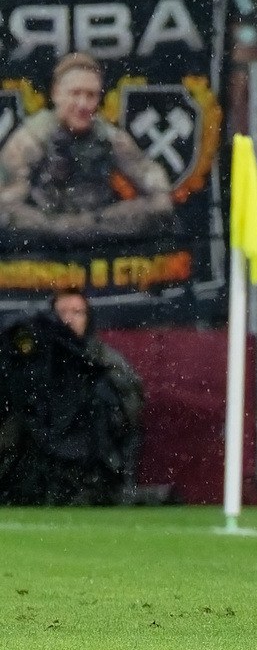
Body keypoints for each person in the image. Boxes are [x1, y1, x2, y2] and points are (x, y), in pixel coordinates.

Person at [0, 52, 173, 245]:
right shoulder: (31, 138)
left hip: (97, 225)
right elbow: (7, 202)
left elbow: (152, 180)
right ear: (56, 94)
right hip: (47, 228)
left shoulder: (110, 137)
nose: (83, 104)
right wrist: (49, 225)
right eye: (75, 94)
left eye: (91, 95)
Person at [0, 287, 144, 505]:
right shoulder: (34, 363)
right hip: (36, 461)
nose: (69, 319)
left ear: (89, 318)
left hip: (91, 462)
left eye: (77, 312)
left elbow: (129, 406)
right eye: (62, 312)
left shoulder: (102, 359)